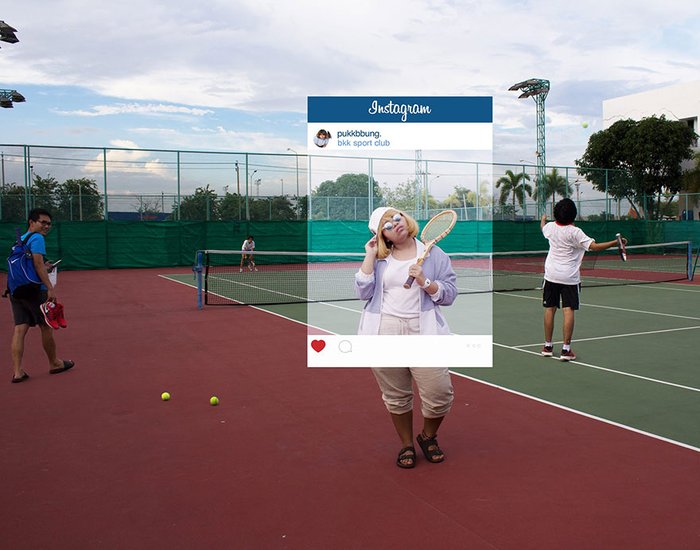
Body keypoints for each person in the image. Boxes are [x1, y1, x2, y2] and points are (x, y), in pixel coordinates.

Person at [355, 207, 457, 469]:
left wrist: (425, 281)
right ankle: (407, 444)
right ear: (383, 236)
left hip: (424, 331)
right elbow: (363, 292)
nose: (395, 223)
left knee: (440, 394)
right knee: (396, 396)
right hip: (384, 330)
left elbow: (449, 294)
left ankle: (428, 436)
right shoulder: (379, 259)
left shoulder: (435, 254)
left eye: (396, 217)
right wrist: (369, 255)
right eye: (387, 225)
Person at [540, 198, 625, 361]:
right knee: (568, 310)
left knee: (549, 309)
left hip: (550, 275)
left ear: (556, 214)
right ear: (573, 215)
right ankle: (566, 350)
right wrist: (616, 242)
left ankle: (547, 346)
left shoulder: (550, 227)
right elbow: (594, 247)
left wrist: (543, 219)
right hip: (569, 278)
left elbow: (543, 227)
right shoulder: (575, 232)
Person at [7, 208, 74, 383]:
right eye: (42, 222)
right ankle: (54, 363)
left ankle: (17, 371)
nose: (46, 226)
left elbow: (28, 264)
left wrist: (45, 266)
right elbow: (37, 264)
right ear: (31, 222)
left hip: (16, 290)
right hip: (34, 290)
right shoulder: (37, 238)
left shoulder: (20, 240)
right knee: (46, 326)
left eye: (49, 223)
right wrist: (50, 288)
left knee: (20, 329)